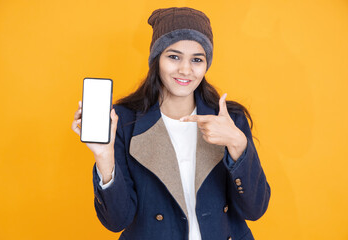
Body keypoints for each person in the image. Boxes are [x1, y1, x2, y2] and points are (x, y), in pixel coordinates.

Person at [72, 7, 270, 240]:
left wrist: (238, 144)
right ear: (157, 59)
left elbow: (255, 210)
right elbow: (117, 221)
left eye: (197, 59)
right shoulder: (124, 121)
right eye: (174, 56)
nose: (185, 70)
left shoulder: (228, 119)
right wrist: (104, 157)